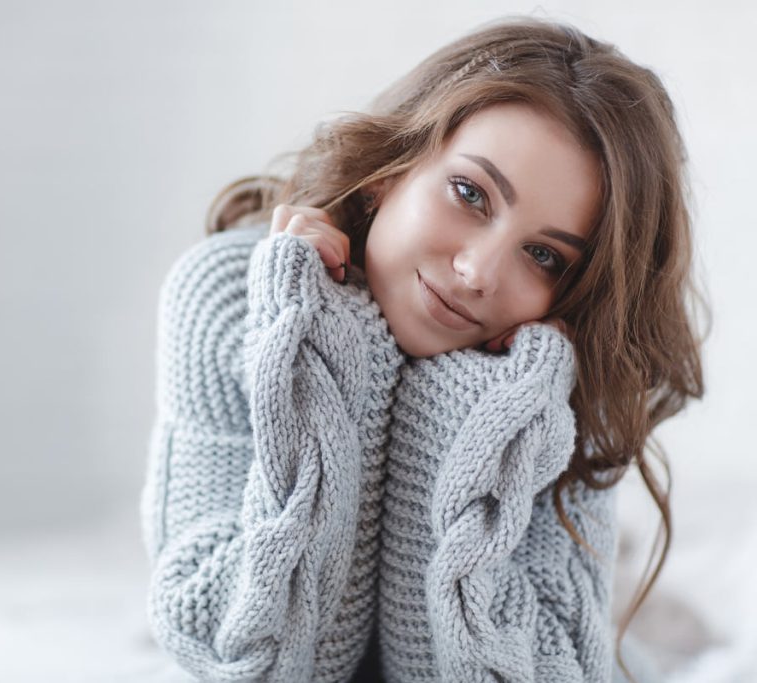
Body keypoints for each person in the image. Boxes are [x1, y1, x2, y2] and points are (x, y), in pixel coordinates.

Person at [140, 17, 705, 683]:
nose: (477, 271)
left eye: (544, 255)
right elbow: (243, 657)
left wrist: (470, 419)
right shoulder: (228, 297)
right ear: (388, 169)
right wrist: (321, 360)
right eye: (470, 194)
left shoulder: (555, 377)